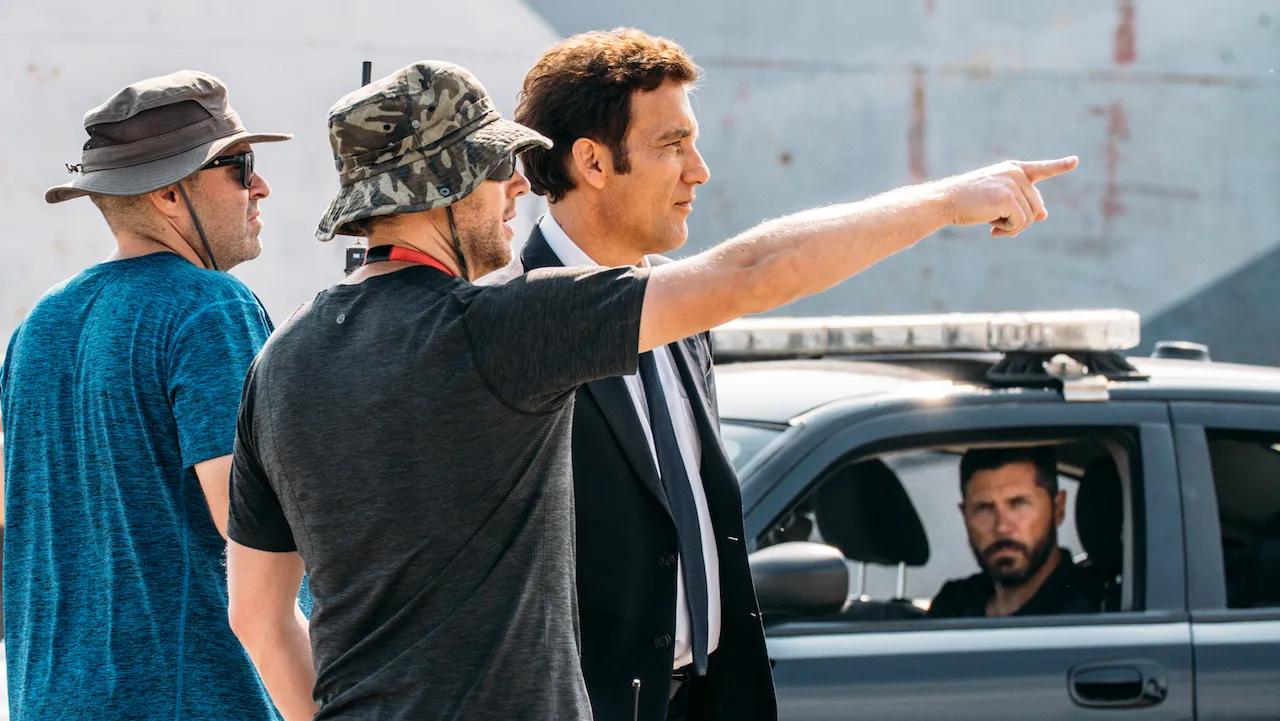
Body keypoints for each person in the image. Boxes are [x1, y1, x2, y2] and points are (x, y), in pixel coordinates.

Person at [223, 57, 1078, 721]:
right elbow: (750, 273)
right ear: (439, 189)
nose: (517, 184)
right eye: (493, 167)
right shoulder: (499, 330)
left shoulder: (281, 360)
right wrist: (947, 201)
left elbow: (258, 616)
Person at [476, 28, 769, 720]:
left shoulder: (683, 306)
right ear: (592, 162)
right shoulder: (501, 323)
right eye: (673, 145)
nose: (699, 171)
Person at [0, 71, 291, 719]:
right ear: (168, 193)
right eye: (241, 167)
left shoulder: (39, 325)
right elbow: (254, 529)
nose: (262, 186)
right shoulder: (209, 307)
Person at [927, 447, 1105, 618]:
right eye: (984, 509)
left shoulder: (1097, 610)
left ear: (1058, 509)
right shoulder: (952, 606)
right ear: (965, 516)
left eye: (1019, 504)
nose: (1002, 527)